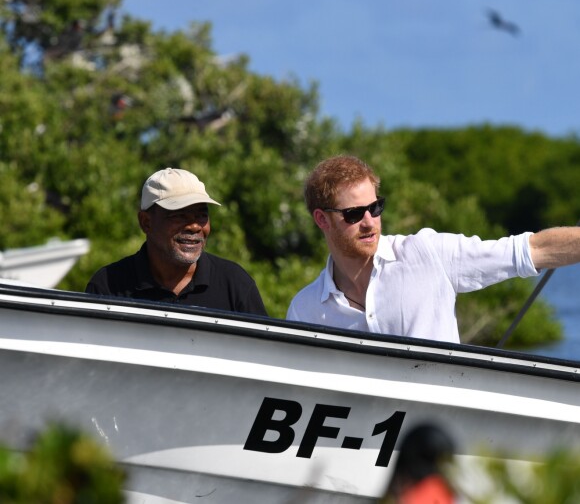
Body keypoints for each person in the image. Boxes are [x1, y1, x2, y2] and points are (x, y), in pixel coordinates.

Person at [287, 154, 580, 342]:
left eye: (376, 208)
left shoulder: (429, 253)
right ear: (321, 219)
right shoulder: (304, 310)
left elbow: (530, 250)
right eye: (353, 214)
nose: (369, 222)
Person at [86, 167, 267, 316]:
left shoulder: (234, 283)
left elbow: (262, 355)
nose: (195, 226)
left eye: (202, 215)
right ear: (146, 222)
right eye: (180, 215)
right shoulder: (107, 286)